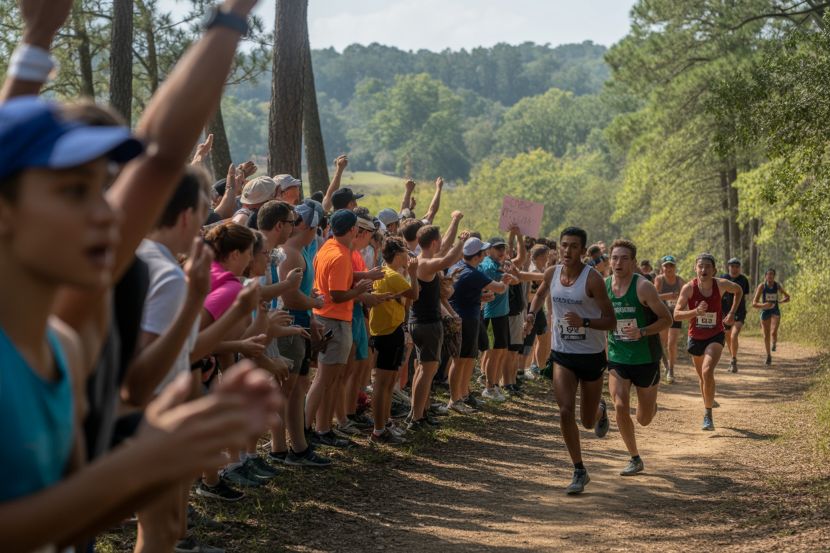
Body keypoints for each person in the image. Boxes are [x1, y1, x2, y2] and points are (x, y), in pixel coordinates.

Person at [0, 1, 280, 549]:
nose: (109, 213)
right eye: (76, 192)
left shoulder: (64, 346)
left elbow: (67, 519)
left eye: (105, 190)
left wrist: (174, 450)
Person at [526, 227, 616, 495]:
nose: (567, 250)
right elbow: (541, 294)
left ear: (582, 250)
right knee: (565, 410)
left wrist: (585, 321)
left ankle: (599, 410)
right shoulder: (552, 273)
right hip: (562, 353)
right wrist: (531, 315)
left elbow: (611, 321)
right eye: (564, 245)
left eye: (574, 246)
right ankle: (579, 469)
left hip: (590, 355)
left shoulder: (593, 280)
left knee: (587, 421)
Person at [306, 210, 374, 446]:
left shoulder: (328, 247)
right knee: (326, 379)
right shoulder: (341, 255)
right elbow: (337, 294)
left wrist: (364, 276)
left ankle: (322, 427)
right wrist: (360, 289)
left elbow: (340, 277)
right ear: (353, 229)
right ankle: (312, 428)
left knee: (329, 380)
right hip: (335, 319)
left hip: (326, 318)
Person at [605, 240, 672, 476]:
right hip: (618, 357)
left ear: (633, 262)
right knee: (620, 406)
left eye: (624, 258)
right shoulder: (604, 286)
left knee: (644, 419)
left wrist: (642, 331)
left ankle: (651, 405)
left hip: (646, 358)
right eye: (614, 258)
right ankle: (634, 457)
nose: (618, 263)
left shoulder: (643, 287)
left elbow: (667, 319)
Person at [408, 213, 467, 427]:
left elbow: (445, 248)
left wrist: (454, 221)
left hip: (419, 322)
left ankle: (418, 413)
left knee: (422, 370)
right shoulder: (425, 264)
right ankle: (416, 417)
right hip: (427, 323)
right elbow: (449, 259)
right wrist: (462, 241)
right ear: (434, 242)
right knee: (427, 371)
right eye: (440, 240)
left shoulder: (422, 259)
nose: (443, 242)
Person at [673, 253, 744, 431]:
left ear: (714, 270)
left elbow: (739, 290)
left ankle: (708, 415)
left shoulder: (720, 284)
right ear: (695, 268)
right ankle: (709, 399)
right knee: (702, 378)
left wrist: (732, 312)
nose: (703, 269)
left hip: (715, 335)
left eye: (707, 266)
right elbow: (676, 314)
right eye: (700, 266)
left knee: (706, 371)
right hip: (695, 337)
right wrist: (695, 312)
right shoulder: (689, 288)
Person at [446, 237, 510, 412]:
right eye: (483, 252)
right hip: (464, 319)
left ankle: (463, 395)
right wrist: (506, 280)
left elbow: (459, 294)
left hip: (468, 317)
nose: (485, 254)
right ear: (477, 255)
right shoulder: (472, 272)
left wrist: (479, 297)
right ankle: (455, 399)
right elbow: (499, 288)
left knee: (467, 360)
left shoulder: (459, 267)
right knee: (460, 361)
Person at [369, 236, 420, 444]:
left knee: (389, 382)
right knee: (383, 384)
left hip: (385, 331)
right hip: (389, 332)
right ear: (398, 255)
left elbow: (405, 304)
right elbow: (415, 294)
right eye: (406, 252)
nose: (409, 256)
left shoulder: (384, 272)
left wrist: (408, 273)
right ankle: (379, 429)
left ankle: (385, 423)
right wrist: (414, 274)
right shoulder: (392, 275)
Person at [654, 255, 684, 383]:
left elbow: (686, 296)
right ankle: (665, 365)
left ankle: (671, 370)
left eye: (671, 265)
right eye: (666, 265)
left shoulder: (680, 281)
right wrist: (668, 296)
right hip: (662, 314)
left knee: (672, 343)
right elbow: (653, 297)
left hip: (675, 314)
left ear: (675, 267)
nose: (669, 268)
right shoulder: (659, 280)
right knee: (662, 342)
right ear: (662, 268)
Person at [752, 268, 791, 365]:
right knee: (766, 335)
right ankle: (768, 355)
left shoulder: (777, 285)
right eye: (768, 274)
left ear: (774, 276)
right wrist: (764, 305)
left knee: (773, 331)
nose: (770, 276)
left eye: (772, 274)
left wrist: (780, 301)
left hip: (775, 310)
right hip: (765, 311)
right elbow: (754, 303)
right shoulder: (762, 286)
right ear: (765, 276)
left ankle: (774, 342)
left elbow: (787, 297)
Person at [721, 258, 751, 372]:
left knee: (734, 335)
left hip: (739, 312)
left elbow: (745, 296)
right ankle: (732, 357)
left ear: (740, 268)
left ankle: (733, 360)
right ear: (728, 267)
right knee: (727, 336)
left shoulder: (743, 280)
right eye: (732, 266)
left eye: (737, 267)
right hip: (725, 312)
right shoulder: (723, 278)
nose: (734, 269)